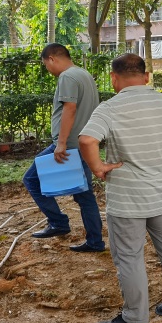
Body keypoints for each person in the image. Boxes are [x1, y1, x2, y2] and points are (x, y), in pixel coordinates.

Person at [78, 53, 162, 323]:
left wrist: (98, 167)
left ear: (114, 78)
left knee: (129, 257)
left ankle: (135, 319)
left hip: (127, 200)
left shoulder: (110, 108)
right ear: (146, 77)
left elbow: (87, 139)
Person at [23, 43, 105, 252]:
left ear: (52, 59)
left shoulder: (67, 76)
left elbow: (70, 109)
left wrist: (60, 143)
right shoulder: (84, 74)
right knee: (84, 195)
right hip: (83, 142)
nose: (47, 69)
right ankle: (94, 241)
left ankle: (59, 223)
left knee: (31, 179)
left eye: (45, 64)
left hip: (69, 145)